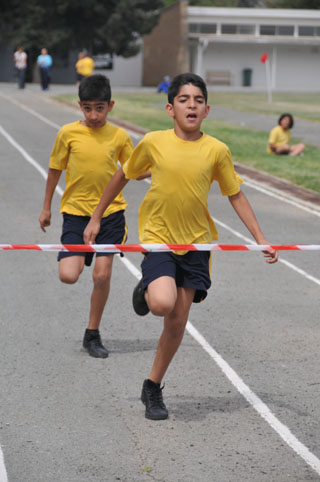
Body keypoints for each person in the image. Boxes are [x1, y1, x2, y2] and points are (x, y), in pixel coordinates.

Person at [84, 72, 278, 420]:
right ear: (170, 108)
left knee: (176, 322)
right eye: (184, 100)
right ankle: (147, 289)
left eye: (198, 100)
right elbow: (123, 175)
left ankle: (152, 386)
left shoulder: (217, 150)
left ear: (207, 110)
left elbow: (235, 194)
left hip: (197, 243)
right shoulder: (154, 142)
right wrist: (97, 216)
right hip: (159, 238)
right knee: (161, 303)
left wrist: (260, 239)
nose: (192, 105)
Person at [39, 74, 136, 358]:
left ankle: (92, 334)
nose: (94, 115)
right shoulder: (68, 133)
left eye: (100, 108)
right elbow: (55, 169)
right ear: (80, 106)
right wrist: (46, 207)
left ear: (111, 105)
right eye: (88, 108)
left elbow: (133, 168)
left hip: (110, 214)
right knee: (68, 275)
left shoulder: (119, 136)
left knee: (102, 274)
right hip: (76, 213)